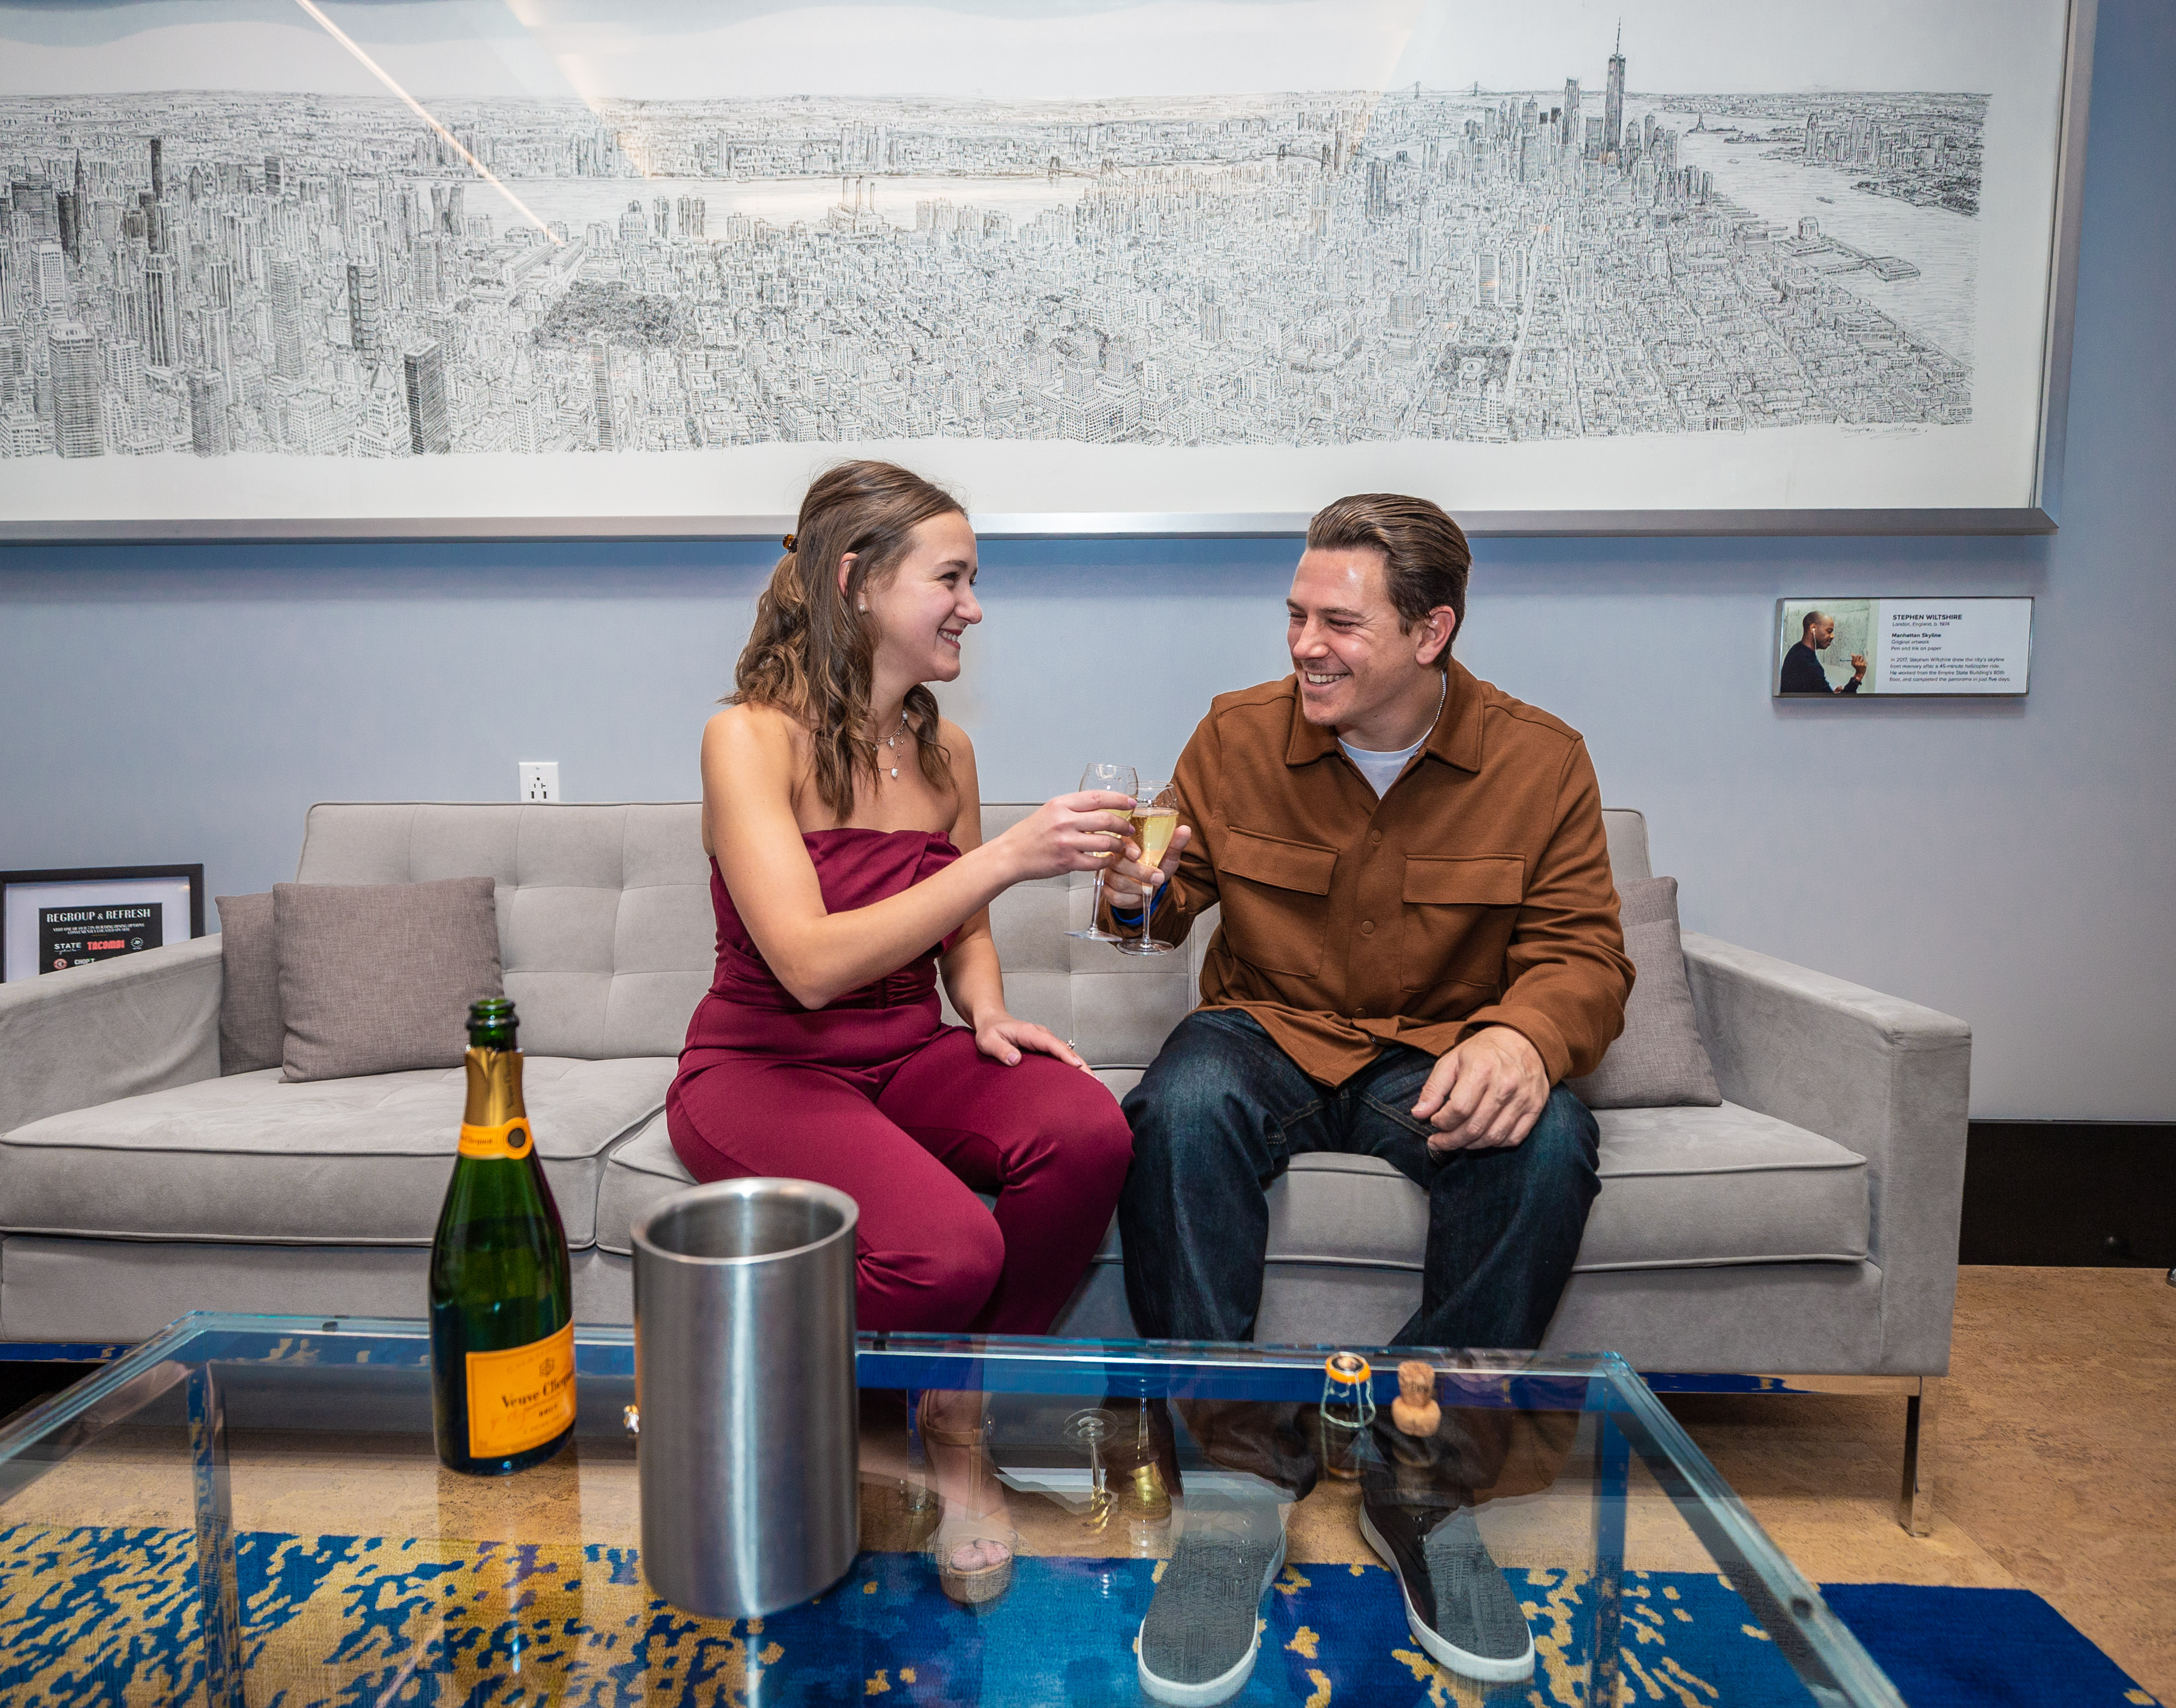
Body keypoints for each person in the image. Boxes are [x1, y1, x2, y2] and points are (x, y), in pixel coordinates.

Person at [1097, 493, 1632, 1701]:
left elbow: (1585, 954)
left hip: (1433, 1053)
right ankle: (1234, 1480)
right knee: (1179, 1104)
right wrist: (1137, 891)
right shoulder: (1234, 733)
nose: (1304, 644)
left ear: (1430, 630)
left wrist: (1524, 1035)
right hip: (1267, 1031)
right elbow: (1161, 904)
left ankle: (1420, 1475)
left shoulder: (1540, 759)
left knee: (1551, 1135)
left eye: (1338, 623)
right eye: (1295, 615)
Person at [668, 459, 1134, 1609]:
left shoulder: (945, 750)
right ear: (857, 581)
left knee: (1089, 1130)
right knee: (948, 1253)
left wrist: (987, 1005)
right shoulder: (748, 738)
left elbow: (959, 924)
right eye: (952, 578)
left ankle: (954, 1408)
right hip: (765, 1062)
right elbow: (810, 963)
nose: (974, 606)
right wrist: (1008, 856)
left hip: (908, 1047)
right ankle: (808, 1419)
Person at [1781, 608, 1866, 694]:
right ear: (1813, 628)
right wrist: (1858, 676)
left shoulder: (1797, 650)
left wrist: (1828, 694)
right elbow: (1837, 702)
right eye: (1829, 631)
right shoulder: (1808, 663)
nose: (1832, 636)